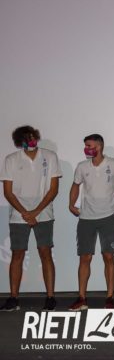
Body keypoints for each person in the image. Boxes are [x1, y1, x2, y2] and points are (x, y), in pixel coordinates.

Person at [68, 134, 114, 310]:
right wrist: (71, 204)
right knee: (85, 257)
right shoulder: (82, 166)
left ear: (99, 146)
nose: (86, 149)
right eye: (85, 145)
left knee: (108, 256)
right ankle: (81, 298)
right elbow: (75, 185)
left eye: (89, 145)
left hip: (107, 217)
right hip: (86, 218)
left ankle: (110, 298)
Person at [0, 125, 62, 311]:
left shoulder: (50, 156)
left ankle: (50, 297)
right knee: (17, 254)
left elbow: (53, 189)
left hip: (44, 213)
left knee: (45, 253)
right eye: (26, 139)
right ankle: (13, 298)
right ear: (20, 142)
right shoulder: (11, 159)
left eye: (33, 137)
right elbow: (8, 192)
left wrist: (35, 212)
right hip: (18, 215)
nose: (31, 141)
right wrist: (26, 213)